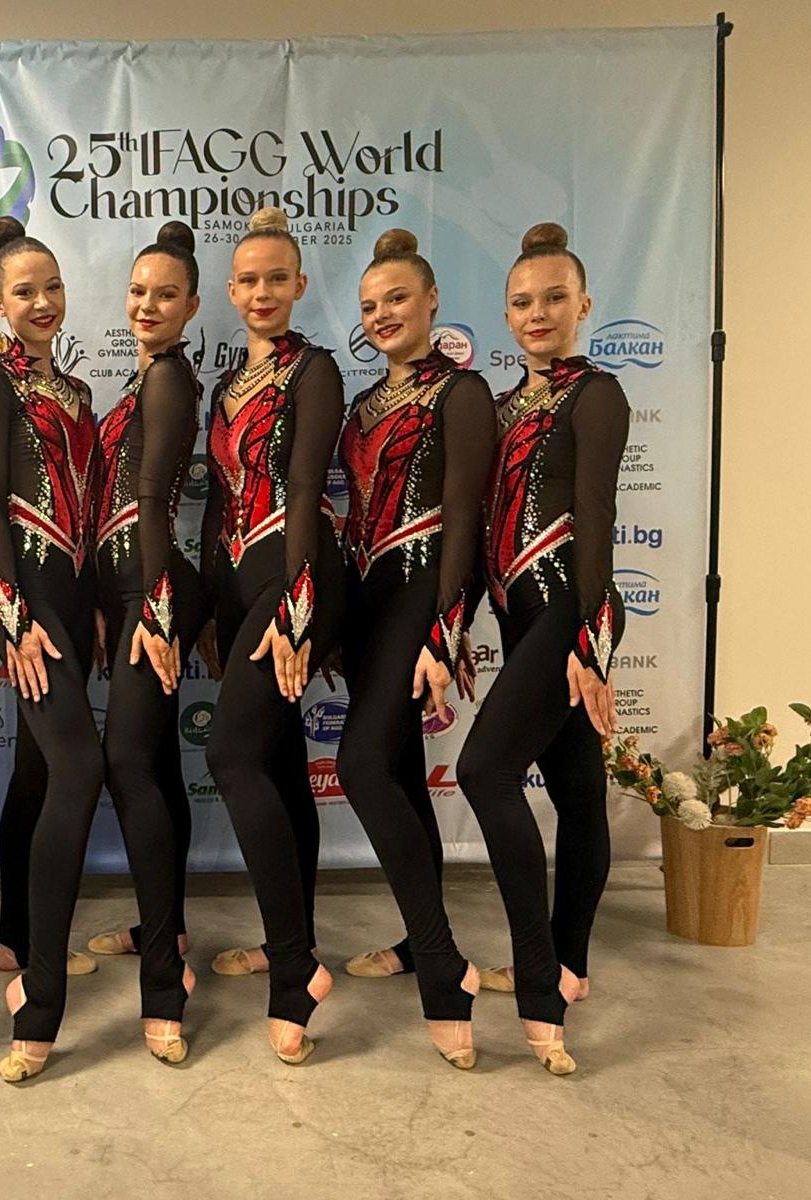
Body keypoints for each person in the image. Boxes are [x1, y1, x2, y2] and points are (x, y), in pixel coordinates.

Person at [457, 221, 628, 1075]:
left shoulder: (596, 394)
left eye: (555, 298)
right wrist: (455, 623)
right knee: (576, 785)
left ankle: (539, 979)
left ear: (583, 305)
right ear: (506, 314)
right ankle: (571, 965)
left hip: (568, 611)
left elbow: (594, 520)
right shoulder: (500, 407)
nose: (538, 314)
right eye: (523, 301)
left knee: (486, 770)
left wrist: (589, 641)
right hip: (520, 615)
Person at [334, 229, 495, 1068]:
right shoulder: (362, 404)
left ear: (431, 300)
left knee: (360, 765)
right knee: (396, 772)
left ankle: (442, 963)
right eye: (370, 305)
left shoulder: (461, 392)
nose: (383, 315)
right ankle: (415, 936)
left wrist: (446, 626)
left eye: (397, 298)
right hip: (367, 601)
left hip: (420, 593)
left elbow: (467, 518)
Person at [200, 208, 344, 1063]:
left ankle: (296, 970)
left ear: (298, 286)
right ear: (232, 290)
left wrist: (295, 609)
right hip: (241, 583)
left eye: (276, 279)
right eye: (249, 280)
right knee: (281, 764)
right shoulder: (226, 384)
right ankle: (296, 936)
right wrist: (213, 613)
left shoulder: (314, 371)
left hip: (296, 575)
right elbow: (219, 504)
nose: (262, 292)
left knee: (230, 754)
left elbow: (302, 491)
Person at [0, 215, 104, 1081]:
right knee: (78, 767)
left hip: (73, 597)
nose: (43, 302)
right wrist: (11, 613)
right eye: (25, 292)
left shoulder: (79, 391)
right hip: (27, 597)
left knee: (37, 769)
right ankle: (39, 985)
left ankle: (14, 935)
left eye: (52, 287)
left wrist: (90, 605)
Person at [87, 221, 207, 1061]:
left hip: (153, 591)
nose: (148, 306)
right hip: (130, 589)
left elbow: (154, 501)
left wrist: (157, 608)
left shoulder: (168, 378)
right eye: (138, 292)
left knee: (128, 764)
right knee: (156, 766)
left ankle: (165, 980)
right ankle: (168, 929)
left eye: (166, 296)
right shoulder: (142, 377)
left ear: (191, 307)